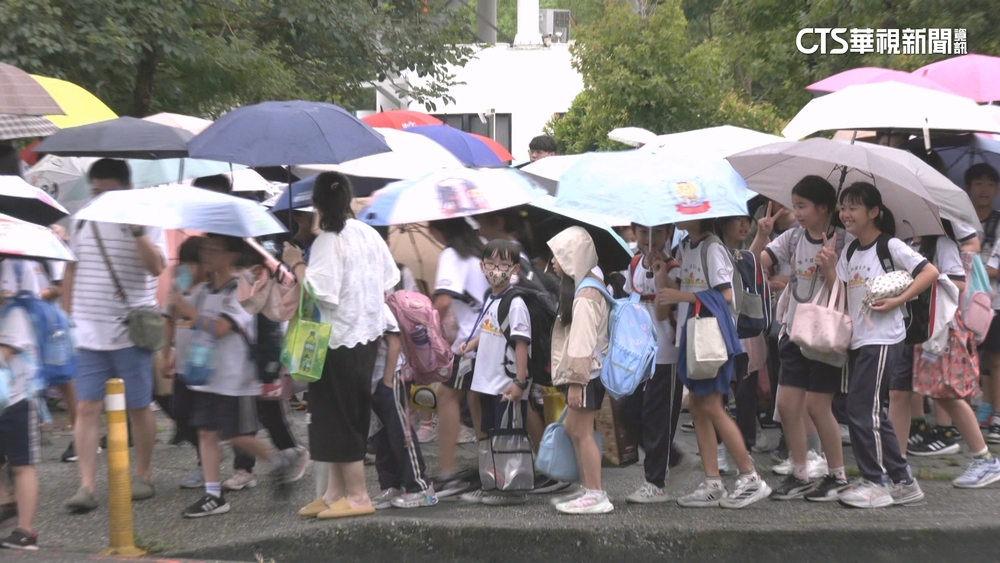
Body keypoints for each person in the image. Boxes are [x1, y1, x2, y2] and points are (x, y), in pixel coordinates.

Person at [286, 171, 399, 520]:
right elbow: (389, 280)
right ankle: (335, 492)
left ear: (316, 203)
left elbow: (318, 290)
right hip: (365, 333)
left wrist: (296, 263)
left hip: (336, 339)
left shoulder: (326, 242)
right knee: (329, 415)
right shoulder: (367, 233)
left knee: (342, 416)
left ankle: (358, 494)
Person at [816, 182, 935, 509]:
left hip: (883, 340)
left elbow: (929, 272)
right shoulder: (851, 250)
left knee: (861, 409)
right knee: (868, 411)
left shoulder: (891, 245)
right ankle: (903, 481)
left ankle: (877, 481)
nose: (845, 213)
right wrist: (828, 267)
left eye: (853, 207)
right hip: (859, 339)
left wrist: (899, 299)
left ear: (874, 212)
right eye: (843, 207)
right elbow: (840, 291)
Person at [62, 159, 167, 513]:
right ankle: (87, 485)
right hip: (87, 329)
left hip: (130, 328)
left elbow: (156, 267)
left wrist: (136, 232)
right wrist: (66, 317)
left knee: (138, 405)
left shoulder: (146, 217)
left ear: (125, 188)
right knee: (87, 407)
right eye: (94, 192)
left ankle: (143, 473)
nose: (99, 199)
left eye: (106, 192)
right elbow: (70, 268)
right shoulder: (83, 218)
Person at [170, 234, 297, 518]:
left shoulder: (243, 287)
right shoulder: (203, 289)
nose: (206, 254)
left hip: (235, 378)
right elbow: (182, 314)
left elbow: (219, 328)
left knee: (236, 435)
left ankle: (278, 461)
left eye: (213, 249)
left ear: (230, 255)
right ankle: (213, 495)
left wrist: (185, 307)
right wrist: (179, 292)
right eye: (205, 249)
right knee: (206, 431)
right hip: (208, 376)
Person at [658, 218, 770, 509]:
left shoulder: (712, 248)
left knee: (711, 406)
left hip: (711, 339)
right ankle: (712, 482)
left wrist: (680, 294)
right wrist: (661, 271)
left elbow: (726, 295)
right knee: (698, 405)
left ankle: (750, 477)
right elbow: (682, 287)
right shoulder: (687, 247)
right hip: (693, 337)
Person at [758, 177, 849, 502]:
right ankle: (801, 473)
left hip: (824, 336)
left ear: (822, 207)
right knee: (787, 405)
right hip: (793, 332)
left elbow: (849, 289)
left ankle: (837, 474)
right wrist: (762, 235)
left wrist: (830, 271)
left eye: (802, 206)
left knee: (818, 406)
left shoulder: (843, 242)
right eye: (795, 205)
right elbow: (755, 262)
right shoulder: (792, 238)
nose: (796, 212)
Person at [457, 239, 532, 506]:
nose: (495, 269)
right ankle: (491, 484)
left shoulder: (515, 302)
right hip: (488, 381)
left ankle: (512, 489)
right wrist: (471, 343)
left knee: (507, 435)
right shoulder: (492, 298)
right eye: (490, 263)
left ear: (514, 269)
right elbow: (490, 330)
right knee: (489, 433)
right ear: (482, 266)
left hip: (506, 383)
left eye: (502, 264)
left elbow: (521, 342)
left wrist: (520, 382)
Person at [546, 226, 613, 514]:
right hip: (589, 373)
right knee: (575, 429)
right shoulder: (591, 281)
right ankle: (588, 489)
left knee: (582, 432)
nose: (552, 261)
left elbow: (582, 341)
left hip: (586, 375)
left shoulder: (585, 293)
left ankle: (596, 493)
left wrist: (575, 382)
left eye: (558, 255)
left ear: (573, 257)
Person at [619, 223, 688, 504]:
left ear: (668, 234)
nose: (650, 239)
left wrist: (661, 276)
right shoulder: (634, 262)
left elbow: (662, 312)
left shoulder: (674, 267)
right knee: (629, 412)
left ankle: (655, 482)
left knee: (658, 416)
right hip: (638, 351)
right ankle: (672, 455)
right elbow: (629, 301)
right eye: (644, 232)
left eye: (658, 232)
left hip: (665, 351)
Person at [425, 218, 489, 499]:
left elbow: (442, 302)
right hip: (495, 335)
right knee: (476, 400)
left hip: (469, 341)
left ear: (439, 230)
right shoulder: (482, 247)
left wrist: (428, 330)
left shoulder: (452, 255)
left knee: (447, 397)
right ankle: (487, 466)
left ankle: (448, 473)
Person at [369, 302, 438, 510]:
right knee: (379, 435)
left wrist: (388, 380)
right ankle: (391, 484)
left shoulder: (378, 305)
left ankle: (420, 487)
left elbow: (394, 342)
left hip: (388, 376)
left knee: (401, 432)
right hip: (371, 380)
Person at [164, 236, 210, 489]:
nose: (187, 269)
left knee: (204, 419)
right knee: (180, 412)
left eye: (191, 263)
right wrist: (166, 352)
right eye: (183, 263)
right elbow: (168, 316)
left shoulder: (211, 288)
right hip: (182, 362)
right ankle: (206, 457)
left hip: (204, 363)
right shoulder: (180, 285)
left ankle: (206, 464)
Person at [0, 293, 42, 549]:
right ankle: (5, 502)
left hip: (18, 401)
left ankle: (25, 531)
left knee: (21, 465)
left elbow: (4, 354)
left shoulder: (14, 313)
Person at [969, 164, 1000, 444]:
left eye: (990, 184)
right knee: (970, 358)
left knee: (994, 358)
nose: (984, 189)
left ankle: (995, 414)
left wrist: (971, 268)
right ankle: (983, 408)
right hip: (965, 302)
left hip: (994, 302)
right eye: (978, 183)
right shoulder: (963, 222)